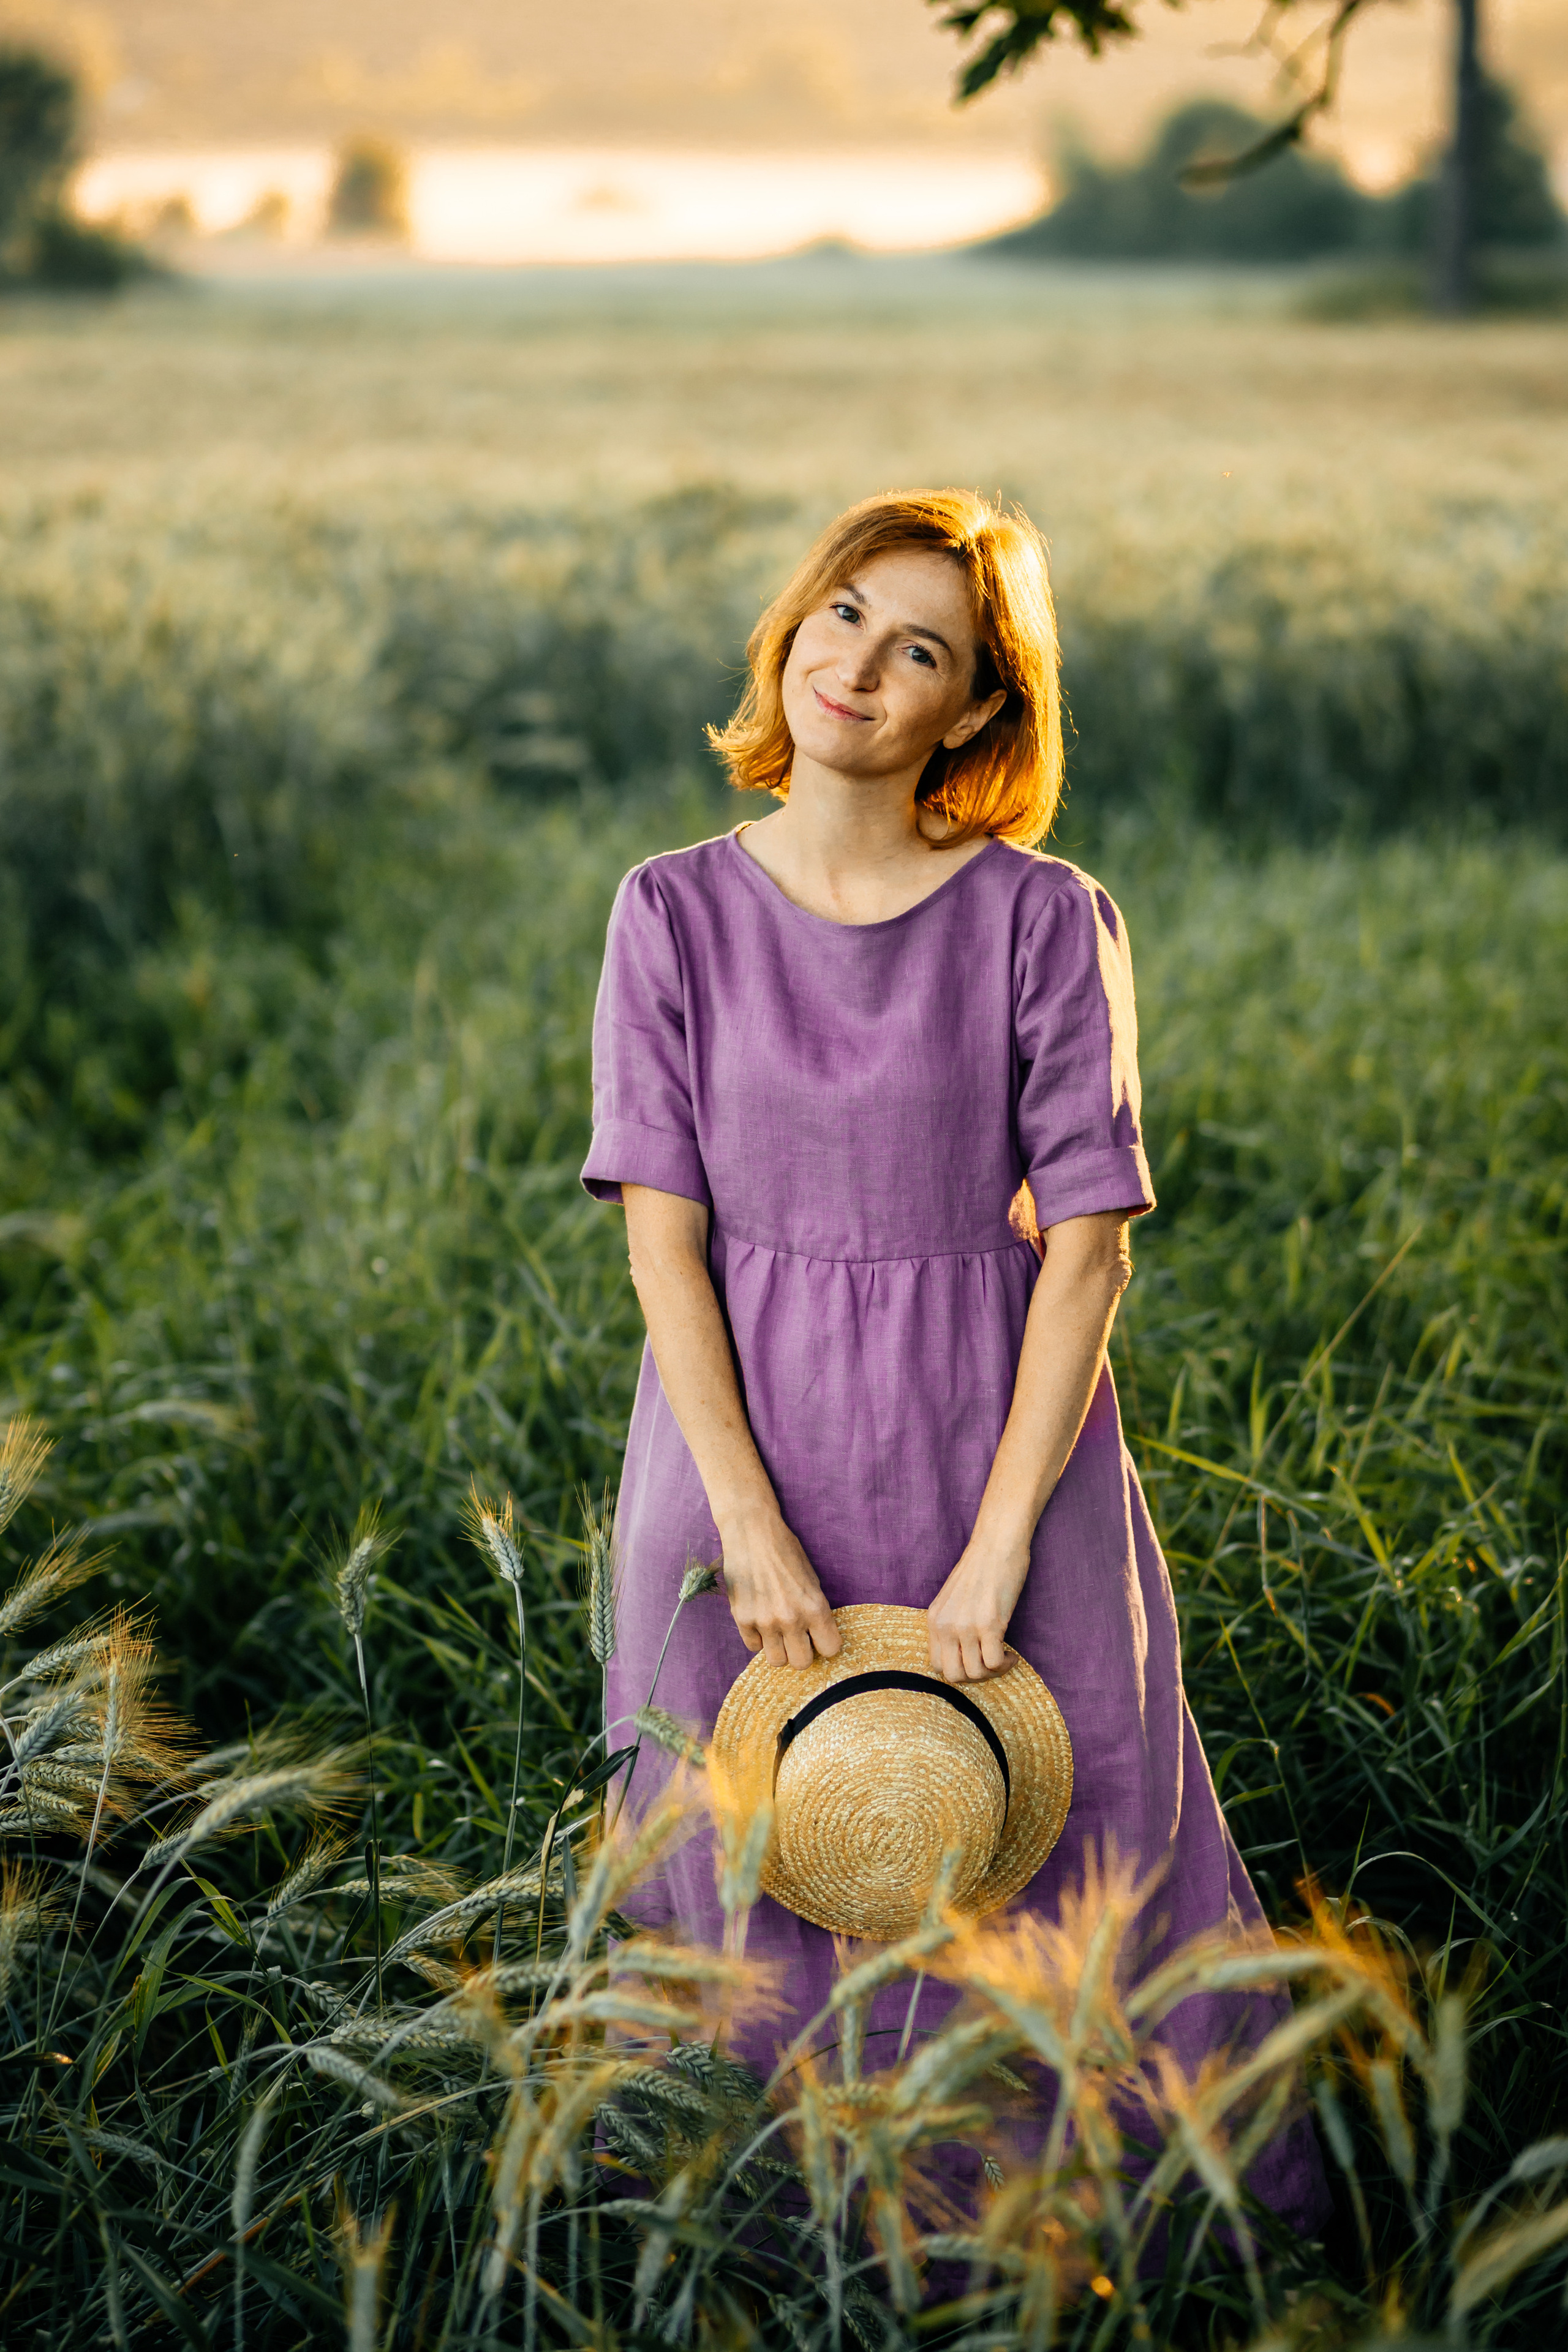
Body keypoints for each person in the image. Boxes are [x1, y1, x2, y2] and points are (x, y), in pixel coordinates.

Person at [581, 488, 1326, 2231]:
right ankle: (762, 2240)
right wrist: (748, 1531)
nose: (861, 663)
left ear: (974, 711)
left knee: (1067, 1833)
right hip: (735, 1445)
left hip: (1002, 1452)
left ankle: (1090, 2238)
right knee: (738, 1848)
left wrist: (1000, 1553)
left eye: (921, 647)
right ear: (793, 627)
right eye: (844, 612)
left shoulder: (1045, 917)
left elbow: (1088, 1248)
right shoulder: (670, 910)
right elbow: (663, 1243)